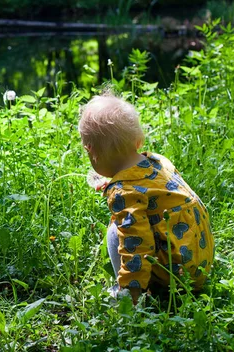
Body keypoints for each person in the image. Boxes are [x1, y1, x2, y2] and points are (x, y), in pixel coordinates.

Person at [78, 92, 214, 303]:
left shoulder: (124, 193)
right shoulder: (158, 161)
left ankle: (129, 292)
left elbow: (136, 245)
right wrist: (118, 181)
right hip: (197, 260)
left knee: (117, 229)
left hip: (175, 278)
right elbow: (149, 193)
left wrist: (131, 294)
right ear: (138, 141)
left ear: (92, 152)